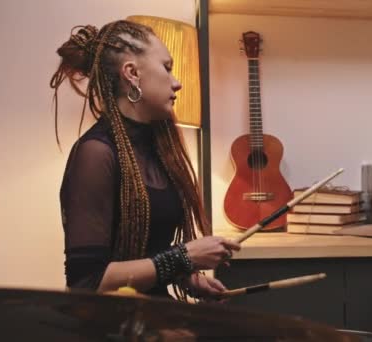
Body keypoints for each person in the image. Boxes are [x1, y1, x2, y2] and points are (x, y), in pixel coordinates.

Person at [50, 20, 240, 300]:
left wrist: (187, 277)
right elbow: (87, 283)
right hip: (115, 326)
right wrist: (182, 258)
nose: (177, 82)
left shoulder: (159, 147)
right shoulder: (96, 153)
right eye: (166, 67)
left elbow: (148, 252)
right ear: (132, 73)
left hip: (156, 317)